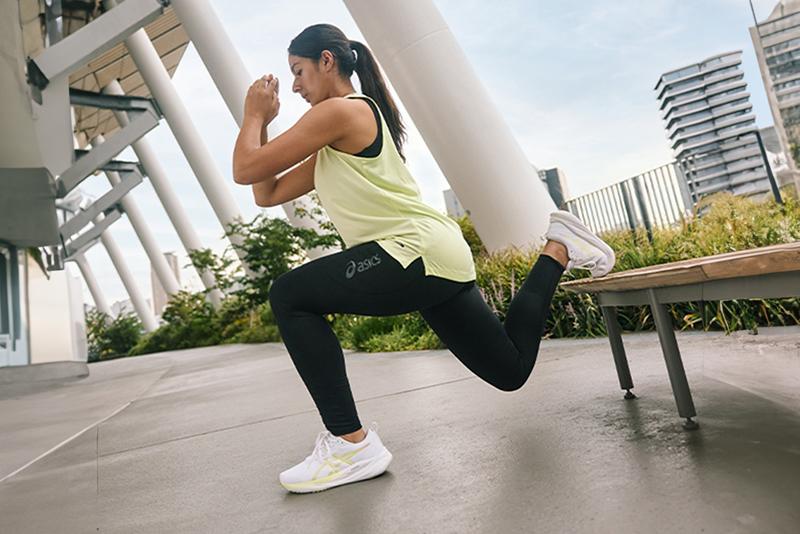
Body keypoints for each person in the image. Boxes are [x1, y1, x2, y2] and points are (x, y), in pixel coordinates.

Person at [232, 23, 615, 494]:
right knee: (510, 371)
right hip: (432, 255)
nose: (293, 86)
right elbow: (265, 191)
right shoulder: (333, 134)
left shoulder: (340, 111)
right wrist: (263, 124)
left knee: (289, 294)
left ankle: (350, 443)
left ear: (326, 62)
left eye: (299, 72)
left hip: (410, 252)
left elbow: (245, 168)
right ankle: (559, 247)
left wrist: (252, 115)